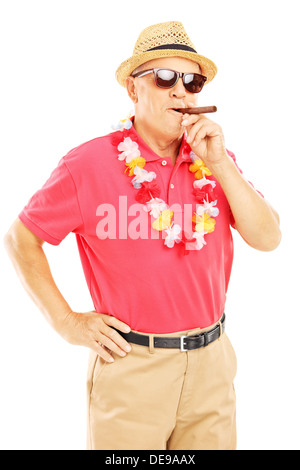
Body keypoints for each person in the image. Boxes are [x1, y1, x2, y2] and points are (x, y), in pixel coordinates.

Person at [4, 21, 281, 450]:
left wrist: (222, 164)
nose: (180, 91)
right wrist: (65, 321)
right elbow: (21, 238)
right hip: (132, 365)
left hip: (211, 364)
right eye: (165, 78)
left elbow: (268, 238)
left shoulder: (213, 160)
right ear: (134, 90)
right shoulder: (87, 164)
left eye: (192, 81)